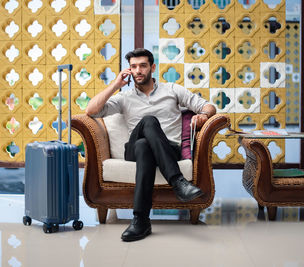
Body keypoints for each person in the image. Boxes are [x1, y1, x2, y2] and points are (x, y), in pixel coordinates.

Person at [85, 48, 216, 242]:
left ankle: (141, 221)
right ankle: (178, 182)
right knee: (148, 122)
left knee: (146, 145)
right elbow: (91, 110)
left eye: (143, 66)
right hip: (133, 151)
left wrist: (204, 115)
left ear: (152, 67)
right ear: (129, 70)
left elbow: (209, 106)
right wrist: (115, 85)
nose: (138, 70)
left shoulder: (172, 90)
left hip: (169, 149)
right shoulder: (124, 97)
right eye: (133, 67)